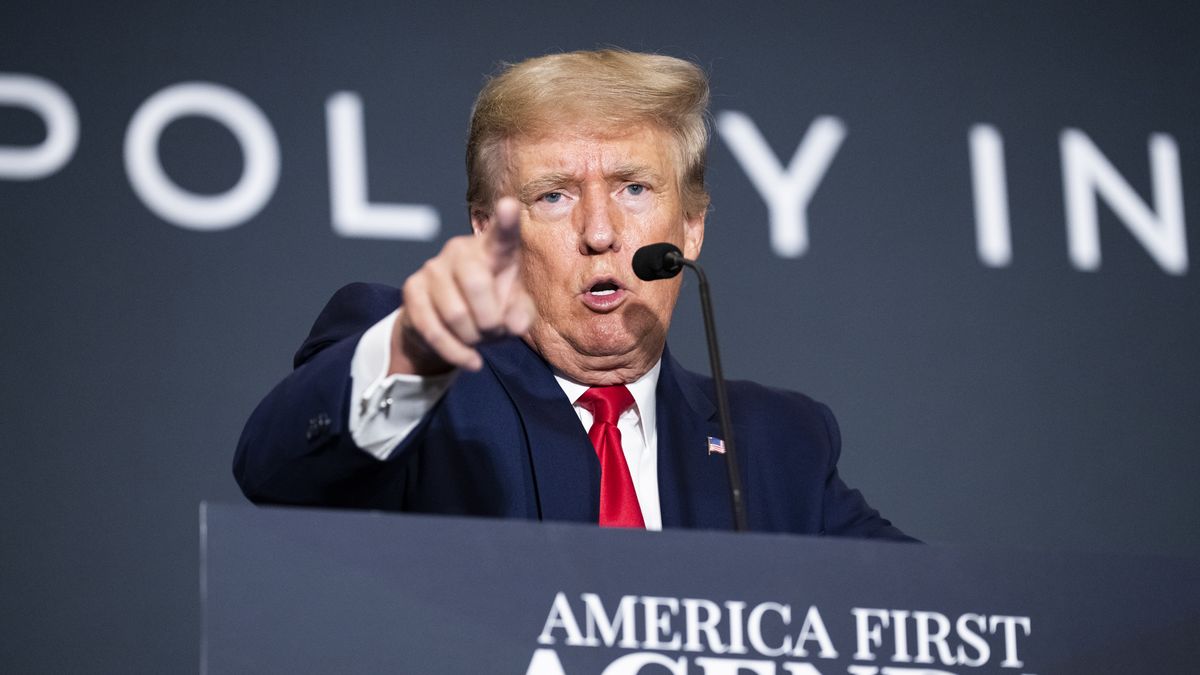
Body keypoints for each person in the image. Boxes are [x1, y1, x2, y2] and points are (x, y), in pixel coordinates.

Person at [234, 49, 913, 540]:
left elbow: (932, 617)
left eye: (633, 188)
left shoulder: (777, 442)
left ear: (694, 224)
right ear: (489, 231)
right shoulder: (432, 385)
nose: (599, 231)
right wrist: (416, 345)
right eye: (553, 195)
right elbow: (276, 473)